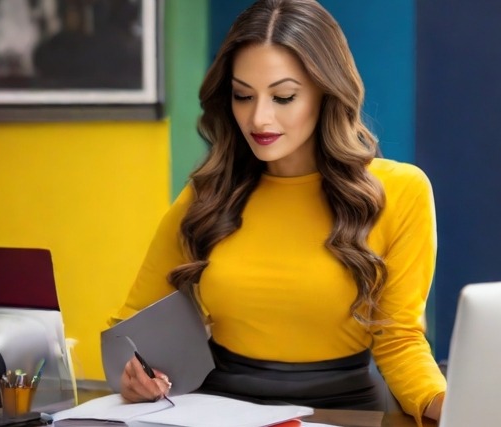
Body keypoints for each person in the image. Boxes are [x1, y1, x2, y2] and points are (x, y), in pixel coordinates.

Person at [110, 0, 446, 424]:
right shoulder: (208, 196)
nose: (259, 118)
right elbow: (129, 330)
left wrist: (448, 404)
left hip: (342, 414)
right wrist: (131, 374)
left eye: (284, 96)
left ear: (327, 92)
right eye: (242, 95)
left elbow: (399, 342)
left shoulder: (400, 191)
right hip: (218, 412)